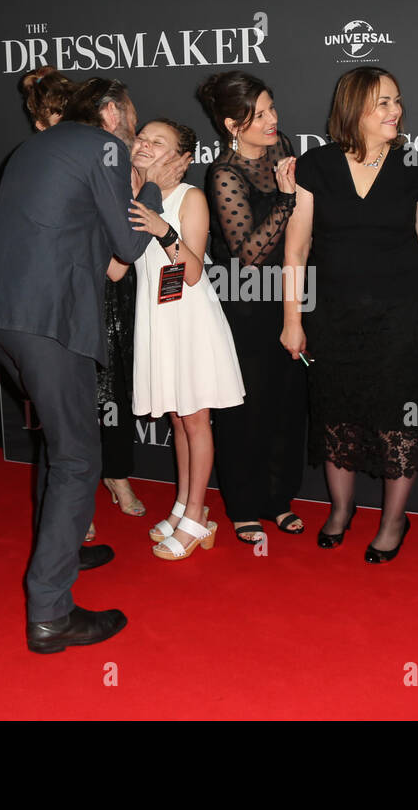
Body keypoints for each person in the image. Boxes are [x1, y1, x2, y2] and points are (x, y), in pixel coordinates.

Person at [0, 77, 185, 652]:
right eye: (131, 112)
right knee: (79, 456)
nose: (135, 125)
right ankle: (50, 615)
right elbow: (131, 247)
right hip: (44, 318)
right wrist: (155, 189)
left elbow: (71, 231)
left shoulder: (35, 147)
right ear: (110, 111)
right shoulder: (102, 146)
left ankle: (65, 548)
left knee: (61, 446)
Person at [282, 67, 418, 562]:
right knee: (336, 415)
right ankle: (340, 510)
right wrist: (292, 319)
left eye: (397, 101)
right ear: (354, 109)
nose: (395, 111)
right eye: (382, 102)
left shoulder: (416, 166)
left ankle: (392, 521)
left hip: (402, 318)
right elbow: (296, 251)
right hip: (332, 318)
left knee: (398, 422)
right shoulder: (315, 167)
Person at [19, 67, 143, 534]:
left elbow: (118, 254)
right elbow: (124, 245)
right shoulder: (89, 151)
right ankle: (69, 522)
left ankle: (104, 488)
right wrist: (145, 187)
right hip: (63, 302)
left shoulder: (100, 153)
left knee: (95, 408)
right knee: (69, 428)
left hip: (89, 293)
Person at [122, 119, 244, 559]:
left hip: (189, 318)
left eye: (158, 142)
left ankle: (197, 516)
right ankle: (180, 505)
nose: (144, 145)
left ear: (182, 159)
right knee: (176, 419)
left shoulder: (190, 197)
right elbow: (117, 268)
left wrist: (161, 228)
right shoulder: (129, 195)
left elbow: (192, 273)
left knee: (195, 419)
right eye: (141, 138)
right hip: (154, 318)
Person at [198, 71, 306, 544]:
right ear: (231, 125)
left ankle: (278, 499)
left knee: (286, 404)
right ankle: (243, 504)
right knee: (246, 409)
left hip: (293, 295)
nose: (272, 120)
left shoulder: (284, 150)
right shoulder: (224, 173)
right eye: (258, 115)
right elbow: (247, 254)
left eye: (271, 108)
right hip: (244, 304)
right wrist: (285, 199)